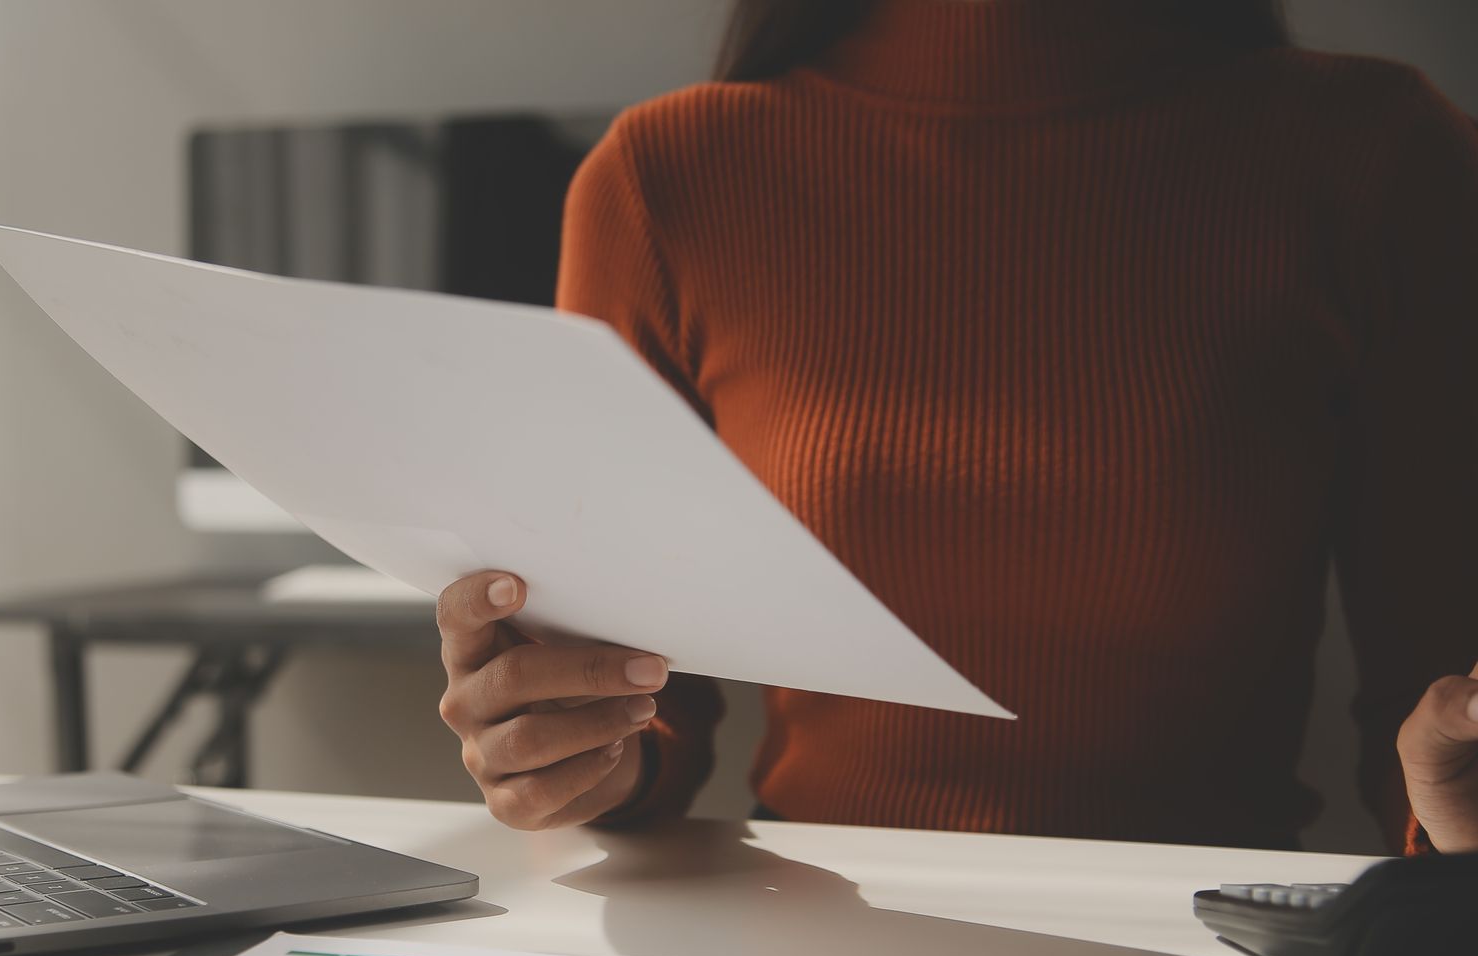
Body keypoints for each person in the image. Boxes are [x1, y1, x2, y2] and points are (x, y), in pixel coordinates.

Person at [433, 0, 1478, 854]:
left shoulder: (1375, 159)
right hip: (808, 947)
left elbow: (1434, 712)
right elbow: (649, 720)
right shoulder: (664, 180)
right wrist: (568, 749)